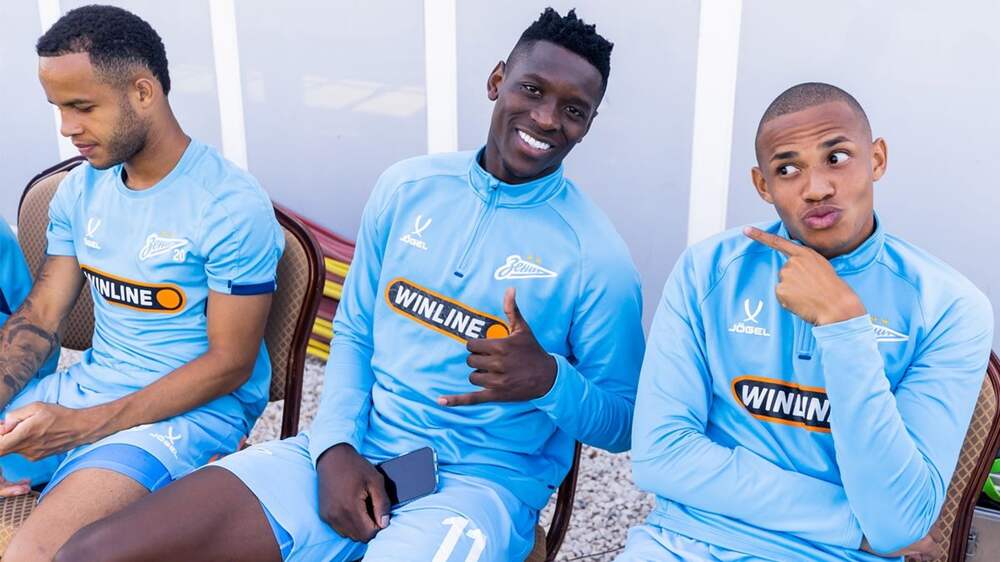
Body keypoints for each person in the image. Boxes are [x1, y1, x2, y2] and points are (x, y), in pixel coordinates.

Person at [56, 7, 644, 562]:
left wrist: (550, 381)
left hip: (476, 489)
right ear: (497, 81)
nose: (547, 118)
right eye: (533, 90)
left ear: (589, 125)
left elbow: (622, 423)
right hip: (354, 450)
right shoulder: (407, 188)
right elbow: (356, 333)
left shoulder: (597, 258)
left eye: (574, 110)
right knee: (93, 553)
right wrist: (334, 447)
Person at [617, 82, 994, 562]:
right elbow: (661, 455)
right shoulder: (708, 270)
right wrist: (848, 524)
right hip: (682, 544)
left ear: (877, 159)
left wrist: (843, 325)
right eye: (788, 169)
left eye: (836, 158)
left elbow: (899, 520)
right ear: (763, 185)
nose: (816, 188)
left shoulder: (950, 306)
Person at [0, 5, 284, 559]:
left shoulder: (229, 206)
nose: (67, 128)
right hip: (88, 389)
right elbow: (41, 316)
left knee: (34, 554)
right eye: (59, 108)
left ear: (143, 92)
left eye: (83, 107)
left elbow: (231, 364)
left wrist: (82, 428)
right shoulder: (80, 190)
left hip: (191, 413)